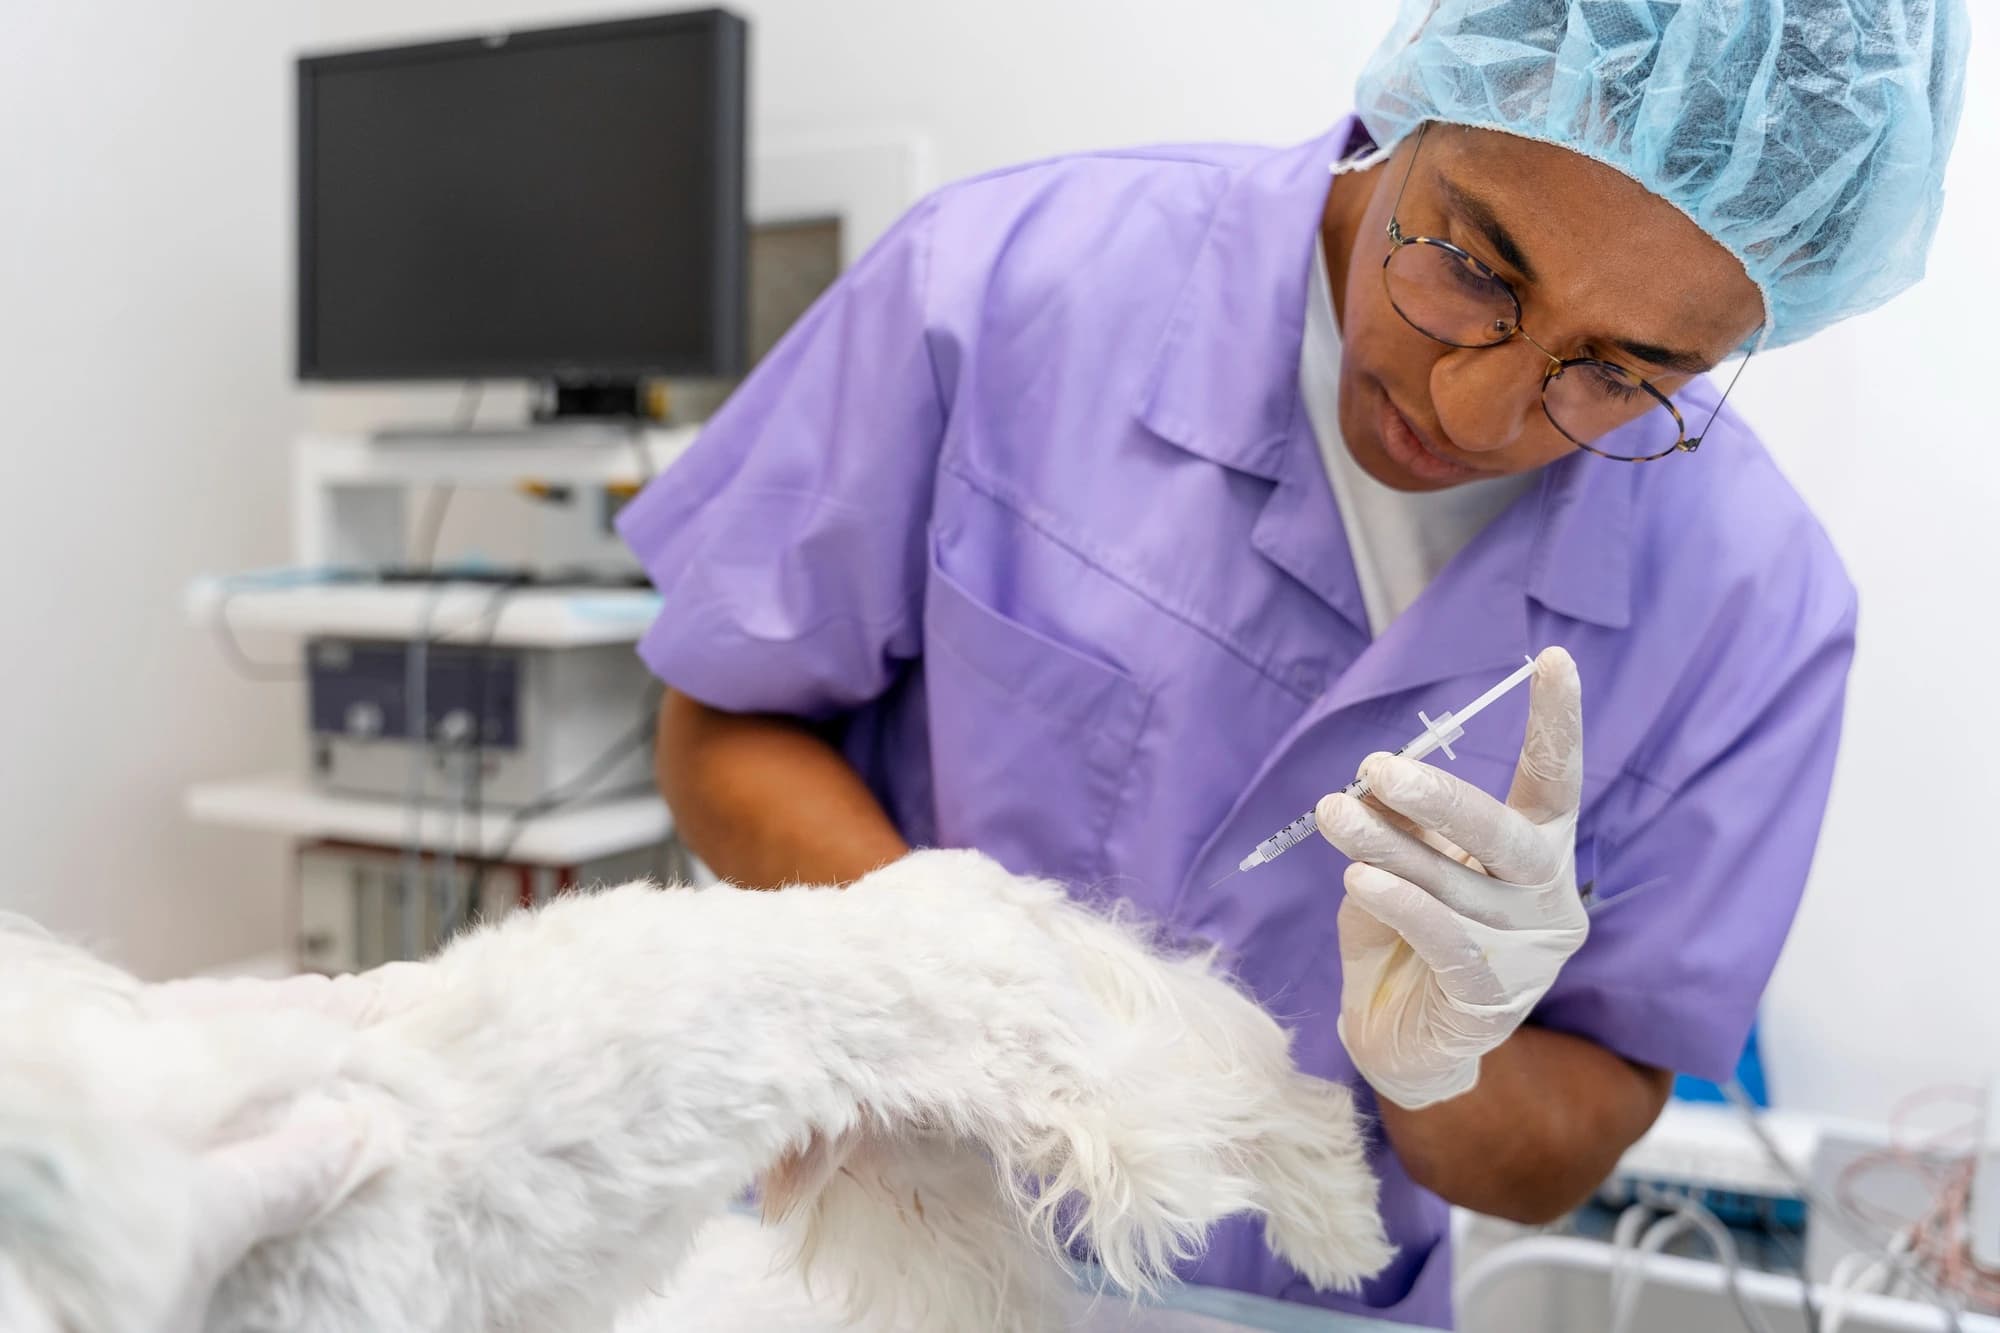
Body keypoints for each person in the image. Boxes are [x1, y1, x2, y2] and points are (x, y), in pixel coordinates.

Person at [615, 1, 1968, 1325]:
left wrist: (1449, 1066)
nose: (1473, 410)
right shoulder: (1009, 282)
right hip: (858, 1252)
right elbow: (721, 724)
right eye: (1474, 269)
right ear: (1421, 94)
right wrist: (971, 980)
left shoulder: (1751, 608)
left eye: (1621, 374)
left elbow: (1578, 1131)